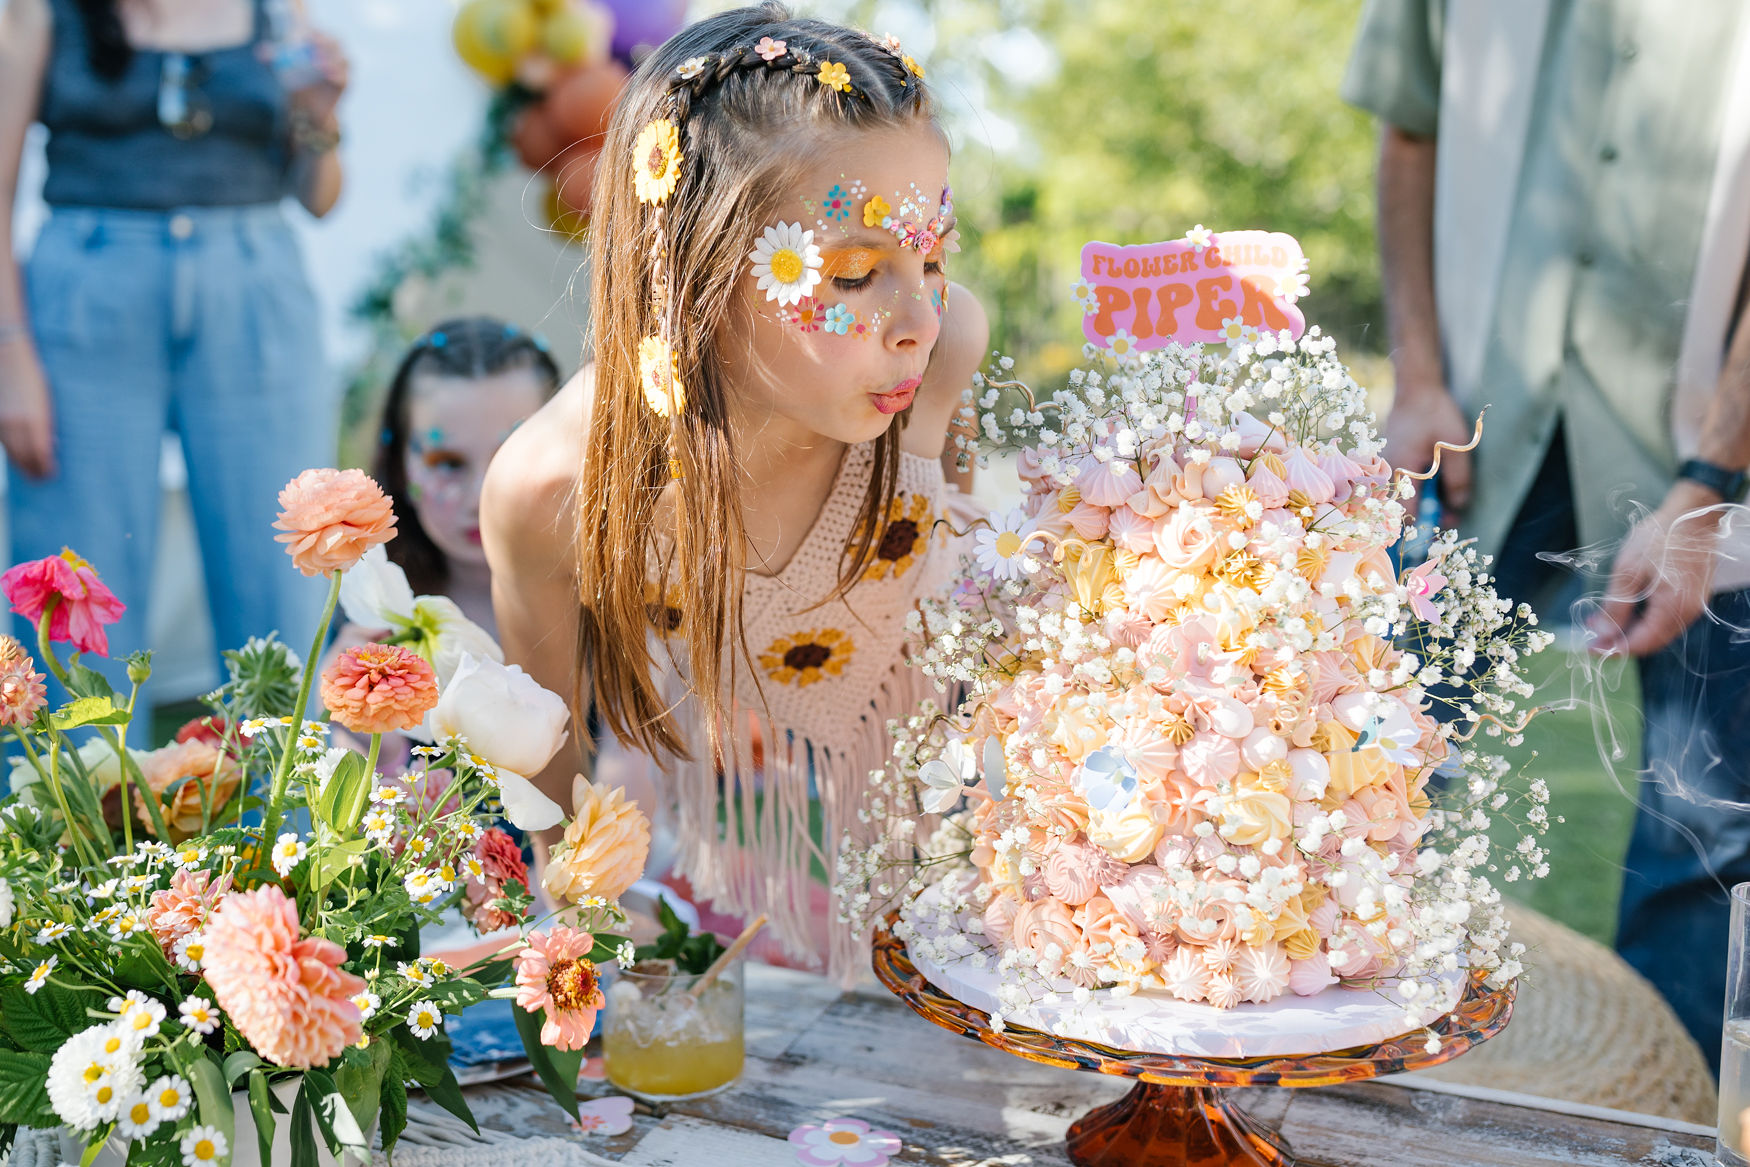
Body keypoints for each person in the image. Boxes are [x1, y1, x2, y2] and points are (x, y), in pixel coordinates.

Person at [482, 3, 988, 979]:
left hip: (941, 900)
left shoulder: (938, 358)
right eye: (851, 273)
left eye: (931, 257)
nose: (918, 317)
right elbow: (547, 794)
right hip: (713, 917)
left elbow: (950, 603)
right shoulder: (554, 487)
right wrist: (579, 929)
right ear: (689, 267)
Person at [1343, 0, 1750, 1072]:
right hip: (1476, 429)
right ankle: (1311, 1074)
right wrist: (1418, 377)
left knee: (1705, 837)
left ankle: (1660, 1111)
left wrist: (1712, 475)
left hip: (1710, 451)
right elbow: (1409, 126)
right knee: (1350, 767)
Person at [0, 0, 347, 706]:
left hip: (254, 288)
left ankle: (290, 815)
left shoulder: (276, 8)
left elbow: (320, 197)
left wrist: (319, 112)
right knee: (71, 602)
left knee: (281, 591)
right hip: (85, 299)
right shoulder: (39, 10)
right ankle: (63, 816)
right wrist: (9, 357)